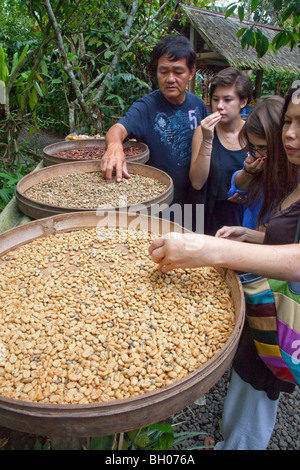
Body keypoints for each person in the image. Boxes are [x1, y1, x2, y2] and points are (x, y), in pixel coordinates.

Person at [149, 92, 300, 450]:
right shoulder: (292, 177)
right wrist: (252, 235)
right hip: (265, 301)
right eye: (290, 122)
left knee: (262, 384)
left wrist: (213, 250)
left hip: (286, 317)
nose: (291, 135)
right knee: (248, 371)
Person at [100, 34, 207, 220]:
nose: (170, 79)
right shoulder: (146, 107)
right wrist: (114, 146)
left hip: (192, 204)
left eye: (178, 72)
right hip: (157, 207)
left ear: (191, 73)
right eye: (163, 72)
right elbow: (117, 129)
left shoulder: (198, 105)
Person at [189, 67, 253, 235]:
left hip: (243, 220)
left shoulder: (254, 135)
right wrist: (207, 139)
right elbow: (197, 182)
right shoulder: (202, 132)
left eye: (227, 100)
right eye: (215, 99)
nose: (219, 106)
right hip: (209, 218)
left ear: (243, 102)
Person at [227, 95, 288, 229]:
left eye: (263, 147)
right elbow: (236, 191)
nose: (258, 153)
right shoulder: (257, 160)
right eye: (253, 147)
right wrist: (249, 172)